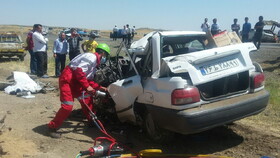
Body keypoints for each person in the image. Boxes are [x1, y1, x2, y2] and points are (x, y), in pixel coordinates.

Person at [47, 43, 110, 138]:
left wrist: (99, 87)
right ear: (102, 53)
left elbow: (87, 79)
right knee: (67, 106)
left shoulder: (93, 62)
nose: (105, 58)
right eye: (105, 56)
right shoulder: (91, 57)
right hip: (68, 80)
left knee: (87, 101)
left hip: (76, 81)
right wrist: (87, 87)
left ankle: (92, 121)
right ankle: (52, 127)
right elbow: (79, 71)